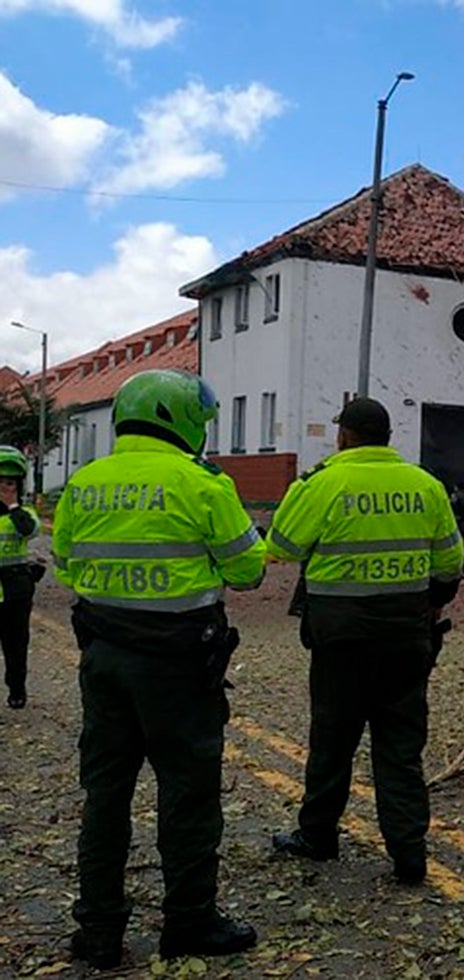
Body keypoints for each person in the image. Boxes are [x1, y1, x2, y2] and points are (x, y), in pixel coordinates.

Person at [52, 369, 266, 969]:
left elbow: (67, 565)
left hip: (104, 658)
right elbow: (249, 570)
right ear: (181, 419)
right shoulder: (202, 484)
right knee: (188, 796)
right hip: (179, 665)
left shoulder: (84, 483)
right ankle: (190, 921)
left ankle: (98, 930)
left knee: (105, 795)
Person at [267, 398, 464, 885]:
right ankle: (409, 854)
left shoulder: (322, 483)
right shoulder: (425, 485)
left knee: (332, 741)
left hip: (340, 638)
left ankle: (318, 836)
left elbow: (281, 547)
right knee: (400, 748)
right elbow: (449, 564)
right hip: (406, 636)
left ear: (344, 436)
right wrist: (431, 601)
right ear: (387, 436)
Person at [0, 446, 39, 709]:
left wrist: (12, 506)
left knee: (16, 642)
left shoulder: (23, 514)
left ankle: (16, 688)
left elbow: (29, 530)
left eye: (10, 483)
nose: (5, 488)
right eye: (1, 482)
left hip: (15, 585)